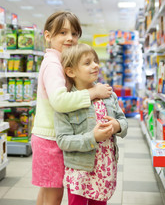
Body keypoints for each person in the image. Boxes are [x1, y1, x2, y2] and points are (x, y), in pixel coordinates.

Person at [31, 11, 112, 205]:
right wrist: (94, 92)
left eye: (74, 33)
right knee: (54, 195)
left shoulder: (58, 61)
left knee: (47, 191)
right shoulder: (53, 64)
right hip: (51, 139)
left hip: (46, 137)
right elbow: (59, 101)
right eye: (63, 33)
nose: (70, 38)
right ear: (48, 35)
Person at [54, 43, 128, 205]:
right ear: (71, 71)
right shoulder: (67, 103)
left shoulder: (108, 95)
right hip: (79, 169)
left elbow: (123, 122)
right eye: (87, 63)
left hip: (105, 167)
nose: (95, 65)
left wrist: (117, 126)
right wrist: (92, 137)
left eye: (95, 61)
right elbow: (63, 140)